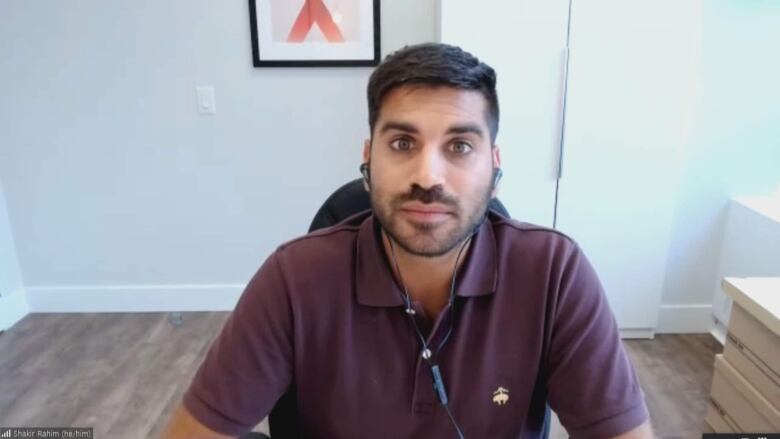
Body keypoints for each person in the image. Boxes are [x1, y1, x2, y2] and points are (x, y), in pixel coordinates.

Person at [161, 43, 654, 439]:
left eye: (459, 146)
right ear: (368, 157)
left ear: (495, 166)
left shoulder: (554, 273)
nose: (427, 176)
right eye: (402, 144)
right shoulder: (294, 278)